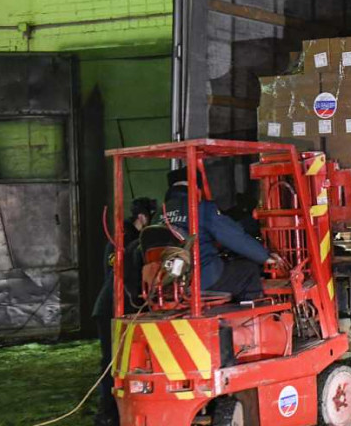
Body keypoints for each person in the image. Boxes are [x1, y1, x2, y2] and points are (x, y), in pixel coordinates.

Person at [158, 167, 278, 301]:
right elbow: (232, 236)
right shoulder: (200, 207)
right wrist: (264, 256)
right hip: (202, 279)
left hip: (167, 283)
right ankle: (244, 313)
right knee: (248, 270)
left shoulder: (158, 214)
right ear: (196, 187)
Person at [93, 197, 156, 426]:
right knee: (112, 362)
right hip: (113, 307)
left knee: (117, 362)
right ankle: (107, 413)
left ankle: (113, 412)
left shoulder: (120, 238)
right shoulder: (128, 241)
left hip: (112, 306)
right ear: (143, 217)